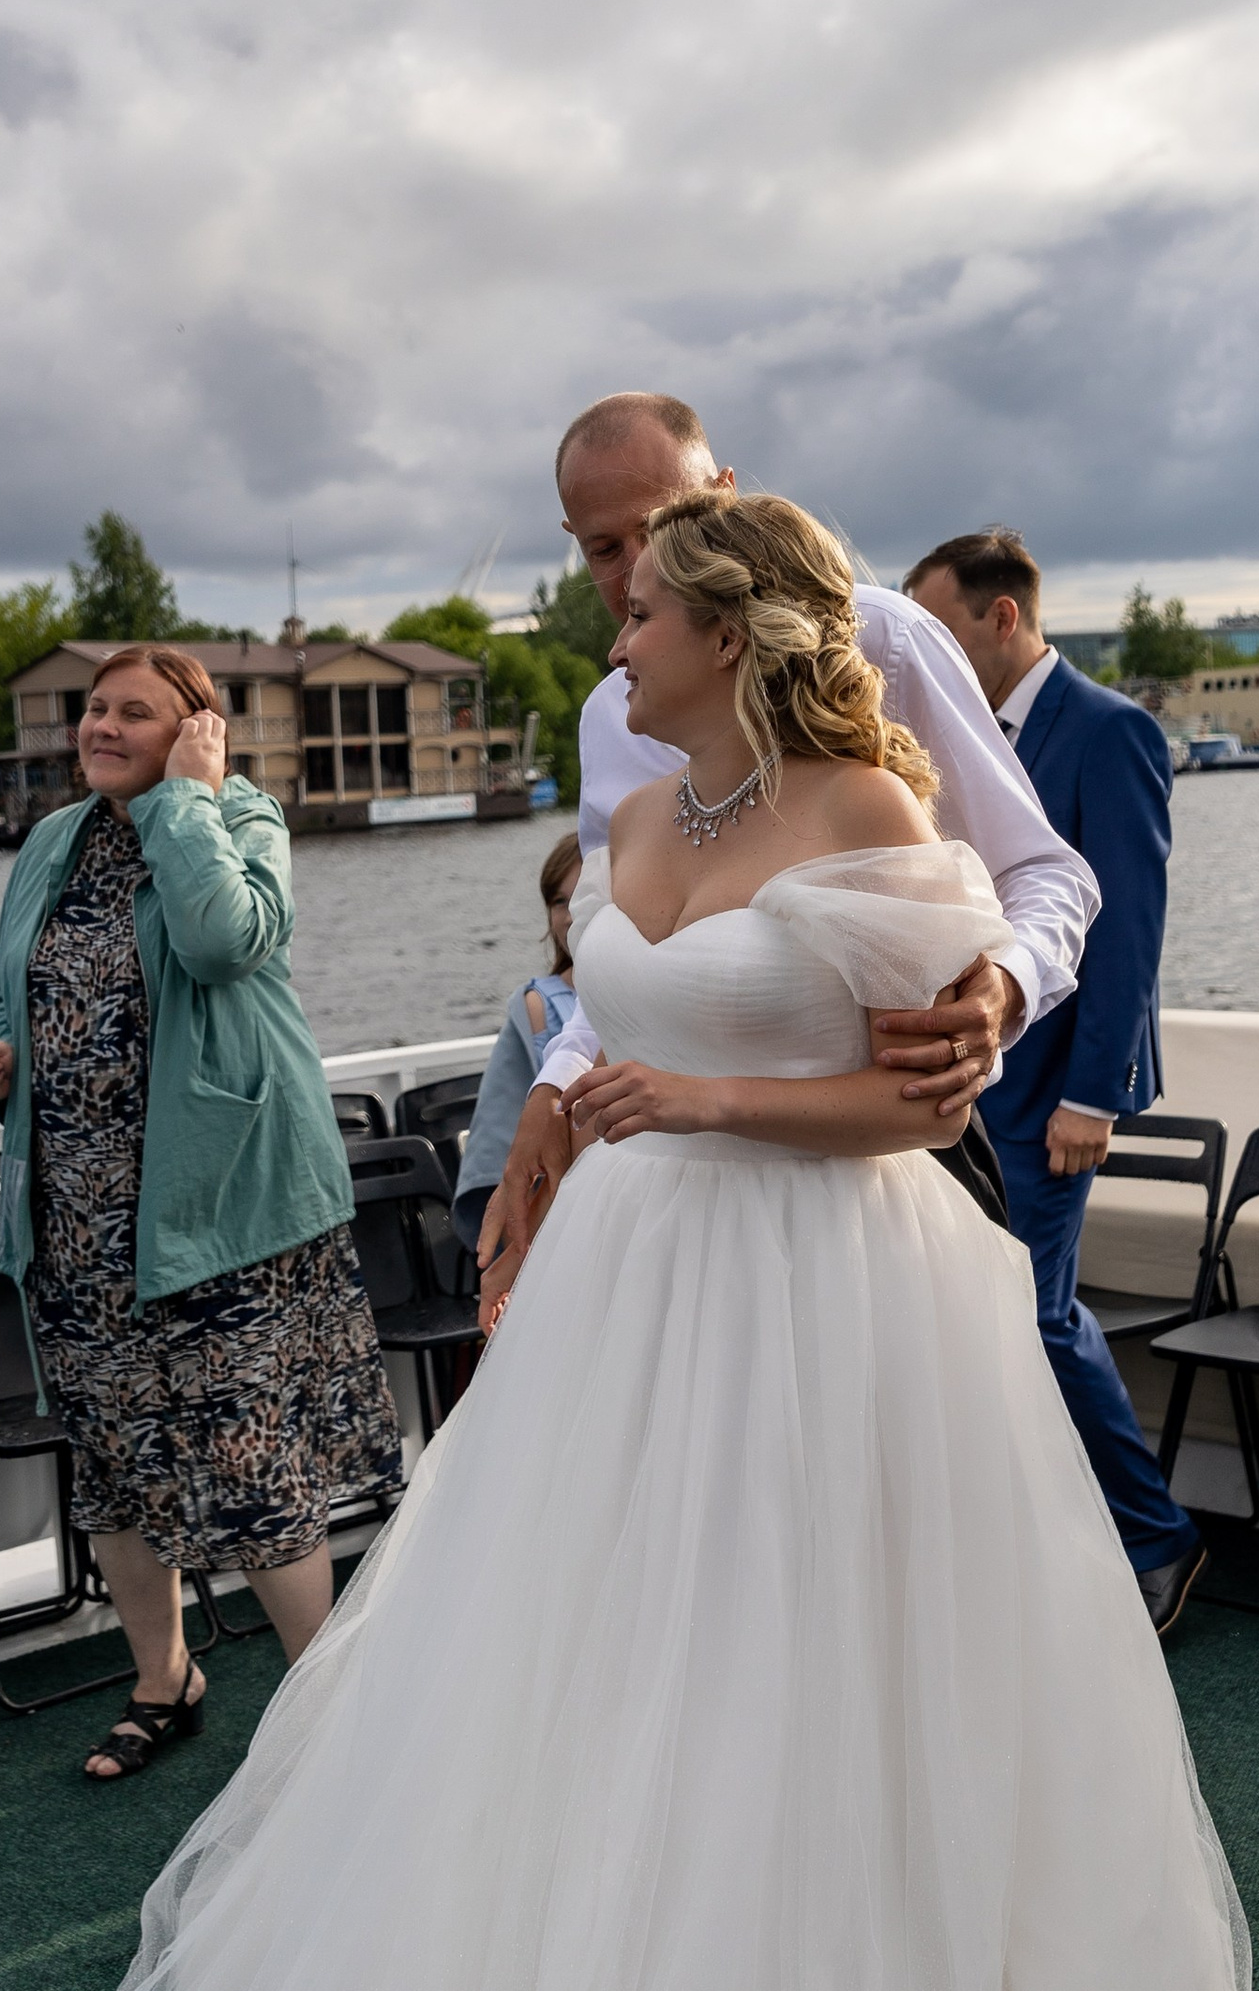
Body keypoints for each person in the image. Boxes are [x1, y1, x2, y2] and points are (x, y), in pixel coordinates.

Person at [64, 492, 1259, 1991]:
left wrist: (686, 1098)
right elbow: (589, 1033)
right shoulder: (633, 807)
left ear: (733, 626)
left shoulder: (870, 806)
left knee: (820, 1686)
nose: (607, 628)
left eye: (638, 602)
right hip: (632, 1300)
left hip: (831, 1306)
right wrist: (560, 1126)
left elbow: (915, 1110)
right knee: (602, 1692)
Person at [476, 394, 1098, 1314]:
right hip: (662, 1212)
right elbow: (629, 960)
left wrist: (1000, 988)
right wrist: (557, 1089)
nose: (635, 566)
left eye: (658, 525)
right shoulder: (612, 721)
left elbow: (1041, 869)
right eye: (603, 549)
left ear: (724, 494)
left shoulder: (885, 641)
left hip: (852, 1200)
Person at [0, 644, 402, 1783]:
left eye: (135, 713)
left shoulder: (239, 817)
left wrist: (188, 801)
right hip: (79, 1216)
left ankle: (325, 1712)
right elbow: (12, 979)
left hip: (223, 1204)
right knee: (113, 1459)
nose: (101, 727)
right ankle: (164, 1679)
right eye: (94, 708)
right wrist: (0, 1053)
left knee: (252, 1458)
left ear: (196, 731)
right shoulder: (53, 841)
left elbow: (222, 939)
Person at [906, 528, 1201, 1635]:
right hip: (968, 1088)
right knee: (984, 1312)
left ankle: (1157, 1537)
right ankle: (1043, 1541)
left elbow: (1126, 926)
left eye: (939, 630)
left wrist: (1094, 1096)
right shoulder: (951, 737)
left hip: (1054, 1094)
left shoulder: (1110, 729)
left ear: (1002, 617)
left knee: (1033, 1311)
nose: (924, 654)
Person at [450, 829, 582, 1261]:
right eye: (559, 902)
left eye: (585, 897)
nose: (571, 916)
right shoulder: (537, 1007)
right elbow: (497, 1149)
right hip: (568, 1221)